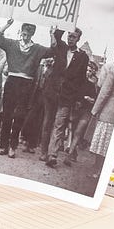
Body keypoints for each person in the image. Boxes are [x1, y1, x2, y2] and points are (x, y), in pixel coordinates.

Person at [0, 20, 56, 158]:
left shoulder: (37, 48)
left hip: (27, 84)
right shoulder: (12, 44)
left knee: (19, 116)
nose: (25, 37)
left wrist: (52, 34)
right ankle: (3, 145)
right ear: (21, 32)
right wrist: (7, 25)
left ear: (32, 34)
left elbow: (53, 50)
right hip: (12, 81)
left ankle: (13, 146)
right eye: (24, 34)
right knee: (7, 114)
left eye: (28, 34)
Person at [41, 27, 90, 168]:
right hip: (52, 92)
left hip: (67, 96)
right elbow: (57, 36)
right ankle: (44, 152)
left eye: (73, 37)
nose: (70, 39)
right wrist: (65, 24)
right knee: (47, 122)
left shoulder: (83, 56)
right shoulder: (61, 48)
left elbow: (82, 80)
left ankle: (52, 155)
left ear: (78, 38)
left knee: (59, 124)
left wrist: (78, 98)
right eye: (69, 35)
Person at [66, 60, 100, 164]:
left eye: (90, 71)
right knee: (72, 130)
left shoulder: (93, 85)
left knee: (78, 132)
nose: (88, 72)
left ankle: (69, 155)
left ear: (92, 72)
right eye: (86, 70)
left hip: (86, 111)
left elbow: (95, 99)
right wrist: (81, 98)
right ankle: (73, 152)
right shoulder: (78, 82)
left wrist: (90, 99)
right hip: (76, 109)